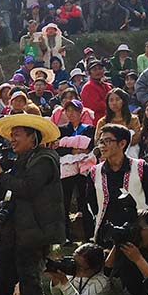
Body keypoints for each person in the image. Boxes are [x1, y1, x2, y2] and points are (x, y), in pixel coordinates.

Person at [0, 113, 65, 295]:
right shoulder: (18, 162)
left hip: (33, 235)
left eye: (17, 135)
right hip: (10, 234)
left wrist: (0, 176)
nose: (12, 139)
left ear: (33, 137)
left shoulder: (45, 159)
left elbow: (28, 188)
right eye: (11, 135)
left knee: (30, 290)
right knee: (0, 288)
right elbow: (5, 194)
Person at [90, 124, 148, 246]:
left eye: (108, 141)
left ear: (122, 144)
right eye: (101, 141)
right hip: (106, 235)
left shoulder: (141, 168)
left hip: (138, 234)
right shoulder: (95, 172)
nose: (102, 145)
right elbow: (92, 204)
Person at [57, 100, 96, 240]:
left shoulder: (89, 129)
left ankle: (89, 234)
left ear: (80, 112)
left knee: (84, 200)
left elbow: (90, 146)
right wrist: (73, 150)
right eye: (68, 111)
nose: (71, 113)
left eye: (74, 110)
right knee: (65, 201)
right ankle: (64, 236)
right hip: (66, 168)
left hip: (84, 168)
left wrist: (69, 146)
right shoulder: (61, 129)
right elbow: (57, 148)